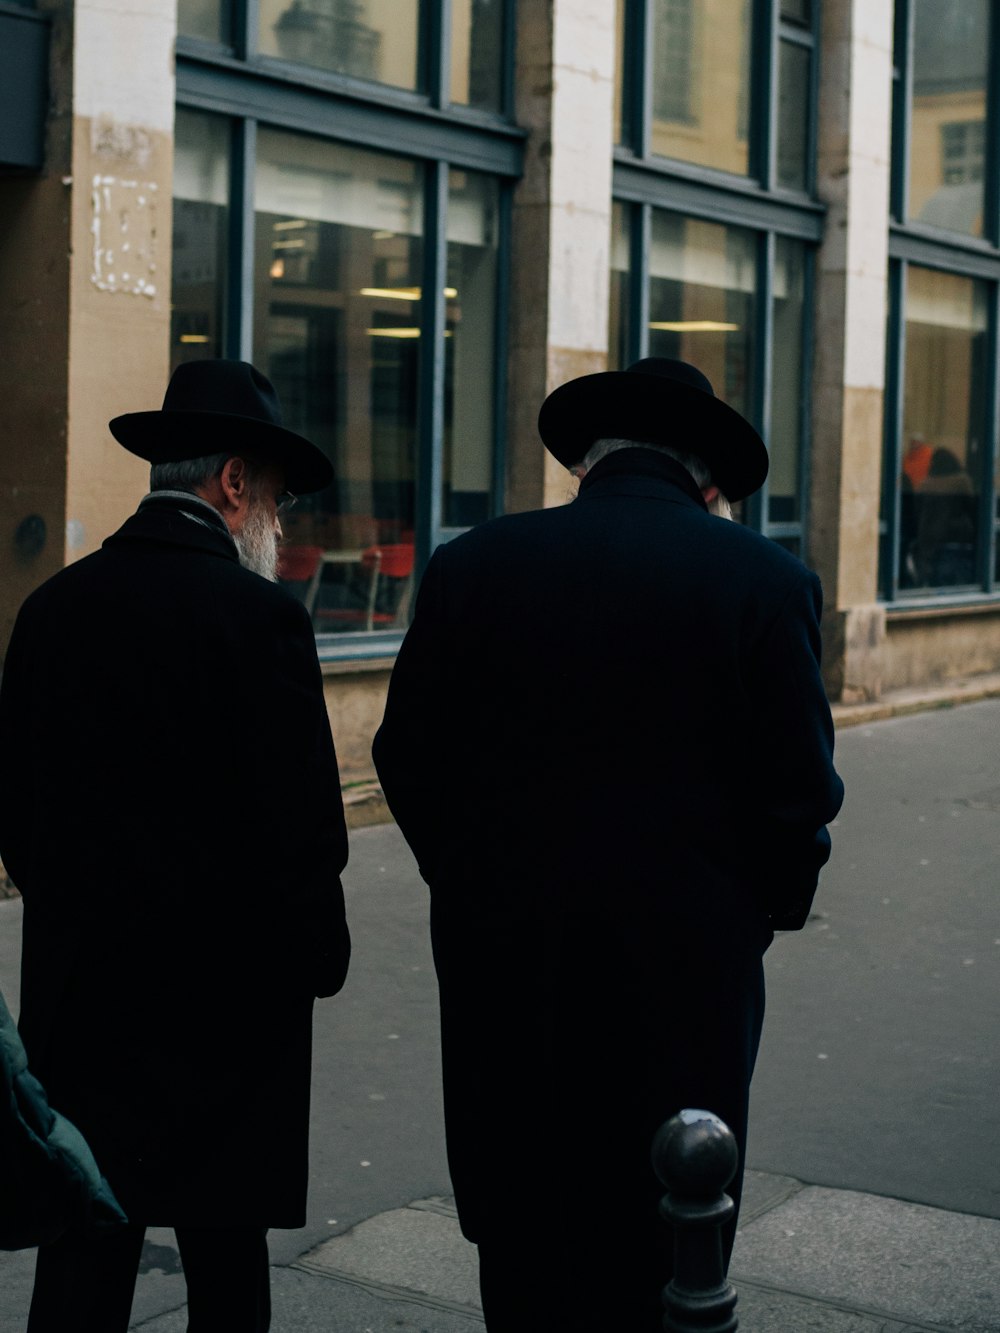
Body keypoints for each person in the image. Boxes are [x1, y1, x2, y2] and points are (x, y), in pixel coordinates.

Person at [373, 358, 844, 1330]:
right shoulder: (766, 581)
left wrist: (468, 878)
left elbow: (407, 757)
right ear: (708, 480)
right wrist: (751, 913)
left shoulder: (472, 565)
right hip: (686, 975)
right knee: (671, 1234)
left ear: (585, 461)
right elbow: (798, 798)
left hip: (509, 966)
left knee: (525, 1235)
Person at [0, 359, 351, 1332]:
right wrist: (316, 961)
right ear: (233, 483)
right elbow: (306, 836)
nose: (275, 521)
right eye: (273, 496)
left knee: (83, 1259)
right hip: (228, 1021)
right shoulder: (263, 619)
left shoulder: (53, 609)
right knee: (226, 1269)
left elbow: (18, 821)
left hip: (83, 1006)